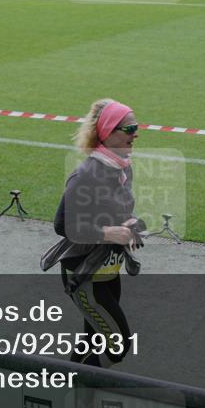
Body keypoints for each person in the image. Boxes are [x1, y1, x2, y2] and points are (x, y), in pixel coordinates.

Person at [40, 98, 145, 368]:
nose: (136, 133)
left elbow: (118, 209)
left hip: (108, 267)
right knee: (118, 345)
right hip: (83, 272)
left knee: (92, 341)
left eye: (136, 127)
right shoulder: (86, 174)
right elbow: (63, 225)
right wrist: (109, 233)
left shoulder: (122, 167)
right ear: (109, 132)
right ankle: (75, 387)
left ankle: (80, 397)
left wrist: (131, 224)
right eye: (129, 128)